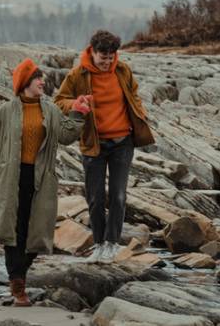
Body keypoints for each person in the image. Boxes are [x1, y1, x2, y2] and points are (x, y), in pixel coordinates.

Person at [0, 58, 91, 307]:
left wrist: (78, 113)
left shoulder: (49, 109)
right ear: (25, 82)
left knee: (37, 231)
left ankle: (20, 274)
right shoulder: (5, 112)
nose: (42, 82)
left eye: (41, 78)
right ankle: (18, 284)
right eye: (38, 78)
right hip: (10, 179)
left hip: (40, 179)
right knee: (13, 232)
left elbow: (65, 135)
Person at [54, 30, 155, 264]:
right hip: (93, 144)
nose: (108, 61)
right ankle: (98, 244)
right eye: (103, 56)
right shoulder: (78, 74)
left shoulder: (122, 70)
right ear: (93, 51)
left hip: (123, 142)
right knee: (96, 198)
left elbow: (134, 94)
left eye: (111, 56)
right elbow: (59, 101)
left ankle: (111, 244)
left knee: (118, 196)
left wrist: (140, 113)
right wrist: (76, 103)